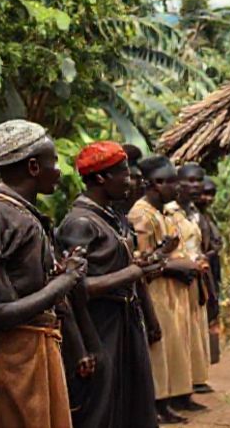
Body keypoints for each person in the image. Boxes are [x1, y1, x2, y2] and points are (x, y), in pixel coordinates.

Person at [0, 120, 90, 427]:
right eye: (54, 162)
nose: (59, 171)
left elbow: (23, 286)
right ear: (33, 167)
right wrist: (64, 281)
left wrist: (54, 278)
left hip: (33, 353)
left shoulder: (23, 215)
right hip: (13, 360)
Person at [56, 141, 160, 428]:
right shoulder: (79, 223)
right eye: (124, 174)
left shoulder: (110, 217)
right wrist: (133, 273)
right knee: (102, 406)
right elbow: (77, 286)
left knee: (131, 402)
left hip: (124, 321)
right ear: (101, 178)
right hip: (100, 325)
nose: (131, 180)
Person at [128, 155, 197, 424]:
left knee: (172, 348)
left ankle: (169, 400)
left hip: (171, 289)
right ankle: (156, 403)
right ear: (154, 184)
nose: (176, 187)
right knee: (158, 350)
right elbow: (142, 258)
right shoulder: (141, 215)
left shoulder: (163, 212)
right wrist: (175, 265)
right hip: (154, 289)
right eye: (170, 182)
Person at [166, 163, 214, 400]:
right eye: (190, 181)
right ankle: (179, 389)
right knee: (179, 332)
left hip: (196, 277)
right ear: (178, 182)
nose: (196, 186)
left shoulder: (195, 212)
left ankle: (194, 381)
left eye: (199, 181)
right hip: (176, 277)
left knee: (195, 330)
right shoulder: (169, 212)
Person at [196, 176, 224, 364]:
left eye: (212, 194)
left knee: (211, 314)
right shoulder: (192, 218)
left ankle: (208, 359)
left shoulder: (207, 216)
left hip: (212, 272)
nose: (209, 198)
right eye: (205, 194)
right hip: (201, 272)